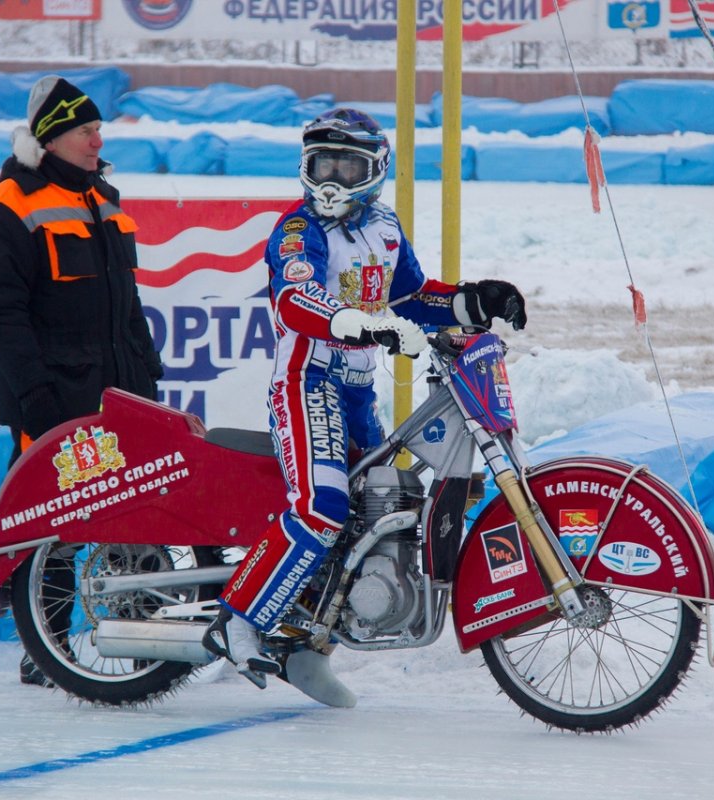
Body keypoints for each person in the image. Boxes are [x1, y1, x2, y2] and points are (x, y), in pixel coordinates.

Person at [202, 108, 527, 705]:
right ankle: (238, 619)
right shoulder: (297, 231)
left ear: (374, 171)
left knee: (372, 517)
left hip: (356, 391)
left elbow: (412, 295)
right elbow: (295, 300)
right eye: (321, 163)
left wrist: (475, 300)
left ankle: (307, 648)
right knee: (323, 507)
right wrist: (362, 325)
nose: (332, 178)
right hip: (307, 385)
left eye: (346, 165)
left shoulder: (384, 227)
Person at [0, 75, 164, 685]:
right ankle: (44, 648)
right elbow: (0, 313)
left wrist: (148, 370)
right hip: (54, 394)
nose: (97, 139)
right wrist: (33, 396)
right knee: (49, 526)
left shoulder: (103, 197)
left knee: (138, 515)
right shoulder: (11, 205)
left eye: (97, 129)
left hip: (121, 391)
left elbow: (126, 304)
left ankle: (143, 640)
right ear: (53, 138)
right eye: (86, 130)